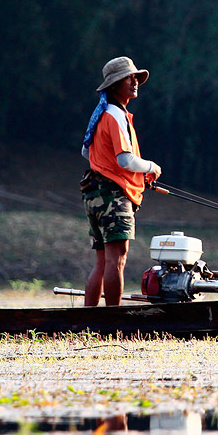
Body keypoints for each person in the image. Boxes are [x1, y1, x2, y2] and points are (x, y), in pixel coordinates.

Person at [80, 56, 162, 306]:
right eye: (129, 78)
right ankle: (112, 321)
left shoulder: (102, 113)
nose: (135, 82)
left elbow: (87, 152)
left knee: (103, 260)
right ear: (114, 85)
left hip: (94, 194)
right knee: (117, 259)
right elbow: (125, 160)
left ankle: (88, 321)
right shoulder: (115, 115)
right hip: (113, 197)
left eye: (136, 77)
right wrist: (151, 167)